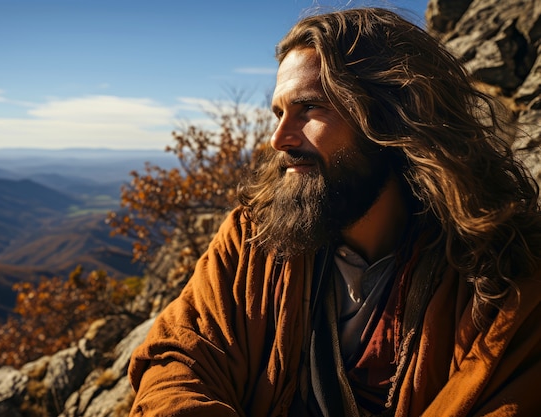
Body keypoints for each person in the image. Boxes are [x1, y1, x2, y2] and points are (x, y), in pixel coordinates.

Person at [127, 7, 541, 417]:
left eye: (309, 108)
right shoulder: (254, 236)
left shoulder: (501, 272)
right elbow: (178, 357)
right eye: (279, 113)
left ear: (391, 115)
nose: (279, 139)